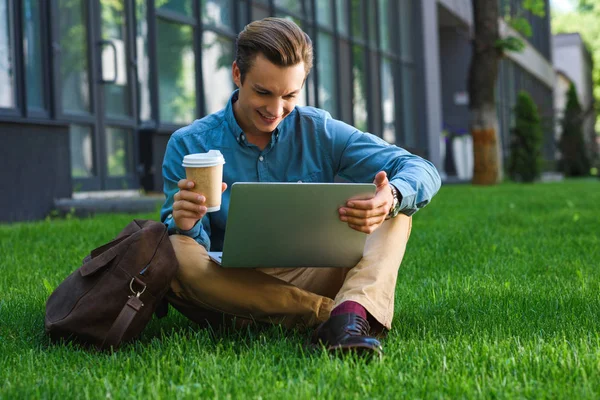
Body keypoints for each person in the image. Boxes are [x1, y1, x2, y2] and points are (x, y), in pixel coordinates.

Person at [161, 17, 441, 356]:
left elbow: (419, 168)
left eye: (289, 95)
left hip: (309, 272)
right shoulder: (188, 144)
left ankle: (345, 315)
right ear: (238, 74)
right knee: (175, 250)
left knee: (397, 214)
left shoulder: (318, 130)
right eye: (263, 92)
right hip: (232, 289)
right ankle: (337, 316)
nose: (275, 109)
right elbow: (190, 256)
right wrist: (187, 225)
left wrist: (391, 197)